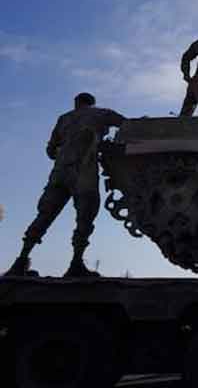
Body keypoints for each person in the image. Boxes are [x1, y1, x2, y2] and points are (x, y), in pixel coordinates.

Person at [5, 93, 125, 278]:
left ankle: (21, 261)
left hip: (59, 174)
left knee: (45, 215)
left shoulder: (64, 118)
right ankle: (76, 263)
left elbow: (50, 150)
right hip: (84, 171)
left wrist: (65, 151)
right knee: (85, 216)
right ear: (92, 103)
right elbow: (127, 125)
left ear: (76, 104)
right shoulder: (102, 114)